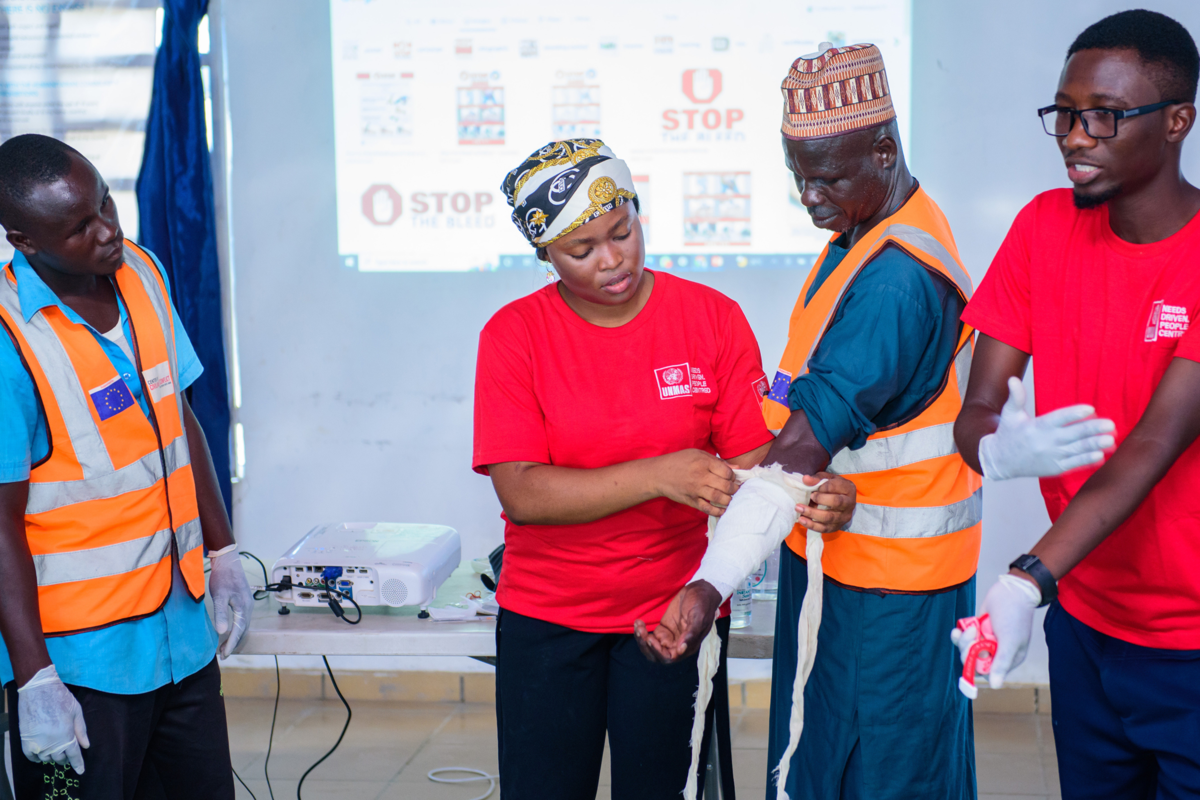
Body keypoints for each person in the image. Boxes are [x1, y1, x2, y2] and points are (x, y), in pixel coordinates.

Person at [639, 44, 987, 799]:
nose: (809, 195)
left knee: (880, 776)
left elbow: (799, 450)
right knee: (825, 764)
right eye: (798, 175)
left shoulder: (895, 281)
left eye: (827, 175)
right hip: (846, 568)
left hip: (891, 593)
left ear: (885, 150)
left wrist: (710, 585)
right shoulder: (863, 236)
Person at [472, 138, 856, 799]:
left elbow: (752, 467)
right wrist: (658, 474)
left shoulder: (711, 320)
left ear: (637, 213)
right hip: (549, 620)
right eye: (580, 250)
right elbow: (523, 491)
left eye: (621, 232)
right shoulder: (513, 336)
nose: (611, 260)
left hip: (676, 611)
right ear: (543, 255)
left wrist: (816, 491)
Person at [952, 11, 1200, 799]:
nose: (1074, 136)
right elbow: (980, 406)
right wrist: (994, 449)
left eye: (1103, 115)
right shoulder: (1041, 229)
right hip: (1087, 619)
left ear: (1176, 121)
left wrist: (1027, 580)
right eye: (1063, 113)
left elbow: (1153, 445)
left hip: (1191, 640)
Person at [0, 134, 253, 799]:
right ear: (24, 240)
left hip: (181, 637)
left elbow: (181, 421)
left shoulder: (141, 272)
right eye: (79, 227)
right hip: (79, 666)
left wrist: (222, 549)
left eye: (105, 203)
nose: (107, 230)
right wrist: (33, 680)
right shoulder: (9, 342)